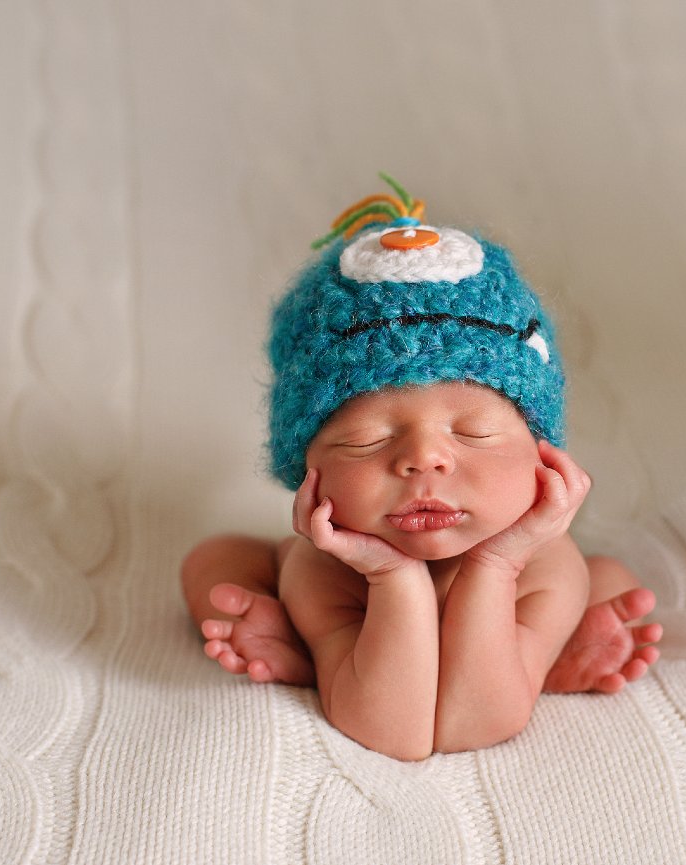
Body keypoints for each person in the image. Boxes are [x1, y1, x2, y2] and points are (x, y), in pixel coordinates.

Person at [182, 176, 661, 761]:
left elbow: (470, 726)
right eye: (366, 440)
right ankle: (315, 649)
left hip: (522, 584)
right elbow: (396, 734)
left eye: (474, 432)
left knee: (609, 580)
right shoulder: (322, 571)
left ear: (543, 457)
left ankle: (539, 657)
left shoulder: (545, 571)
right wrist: (390, 576)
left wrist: (497, 564)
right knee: (218, 561)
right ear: (307, 469)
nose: (423, 459)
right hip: (349, 584)